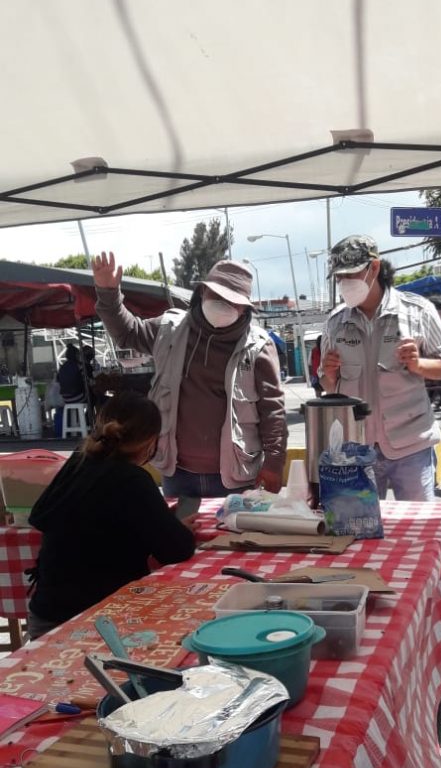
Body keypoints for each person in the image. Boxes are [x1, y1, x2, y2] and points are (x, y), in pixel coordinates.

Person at [92, 252, 287, 498]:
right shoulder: (169, 329)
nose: (222, 304)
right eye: (216, 295)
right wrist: (108, 294)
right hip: (177, 473)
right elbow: (127, 333)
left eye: (232, 301)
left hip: (236, 478)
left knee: (232, 537)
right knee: (178, 535)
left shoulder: (259, 346)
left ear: (244, 307)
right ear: (202, 293)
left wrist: (274, 463)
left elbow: (273, 412)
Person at [26, 393, 196, 638]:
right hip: (99, 620)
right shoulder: (132, 479)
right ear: (150, 442)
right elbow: (177, 549)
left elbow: (44, 515)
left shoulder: (79, 461)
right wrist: (179, 528)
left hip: (46, 616)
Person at [319, 235, 441, 501]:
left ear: (374, 268)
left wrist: (419, 364)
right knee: (358, 533)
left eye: (350, 274)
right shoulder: (335, 322)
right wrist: (328, 375)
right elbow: (328, 386)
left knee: (418, 527)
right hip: (356, 448)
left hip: (411, 446)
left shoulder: (416, 311)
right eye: (339, 278)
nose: (344, 283)